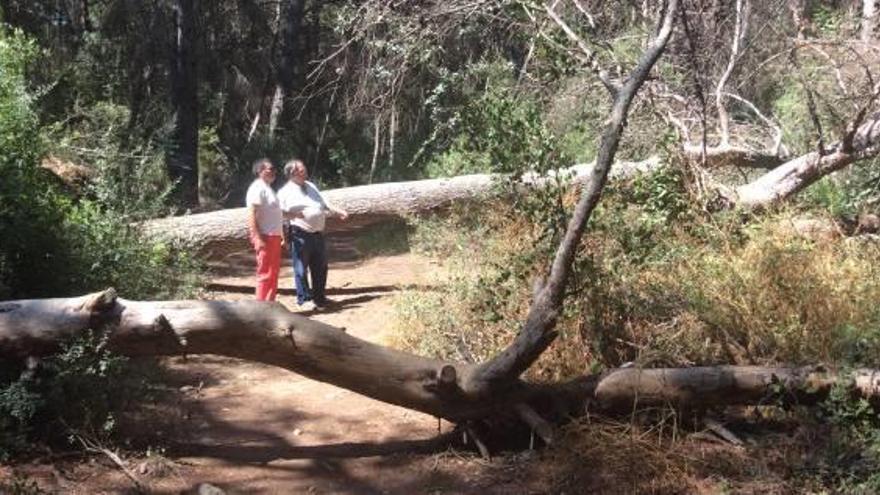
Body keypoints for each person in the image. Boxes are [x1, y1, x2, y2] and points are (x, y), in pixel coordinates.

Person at [278, 159, 348, 309]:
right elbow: (279, 214)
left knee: (321, 267)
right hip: (299, 234)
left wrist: (338, 212)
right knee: (301, 268)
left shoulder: (311, 186)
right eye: (302, 170)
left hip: (317, 234)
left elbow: (325, 203)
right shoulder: (284, 192)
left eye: (304, 169)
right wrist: (285, 237)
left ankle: (319, 298)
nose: (305, 171)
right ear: (293, 173)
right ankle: (304, 300)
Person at [245, 158, 283, 301]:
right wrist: (256, 237)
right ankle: (260, 309)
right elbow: (251, 213)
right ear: (260, 171)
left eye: (274, 169)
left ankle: (270, 306)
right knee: (265, 274)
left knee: (273, 273)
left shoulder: (267, 188)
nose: (274, 172)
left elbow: (275, 213)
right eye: (270, 169)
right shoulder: (257, 188)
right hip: (265, 237)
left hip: (274, 236)